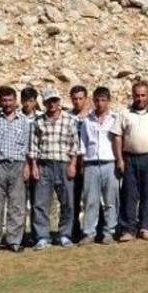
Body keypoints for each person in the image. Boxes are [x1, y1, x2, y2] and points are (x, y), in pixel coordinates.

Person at [0, 86, 31, 255]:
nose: (7, 103)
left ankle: (14, 240)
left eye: (10, 100)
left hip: (17, 165)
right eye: (4, 100)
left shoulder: (24, 121)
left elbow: (27, 146)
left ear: (15, 101)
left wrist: (27, 166)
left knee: (17, 205)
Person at [29, 89, 78, 249]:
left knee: (67, 202)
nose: (52, 104)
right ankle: (42, 236)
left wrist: (72, 164)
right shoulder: (38, 121)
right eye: (49, 101)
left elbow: (74, 144)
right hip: (44, 165)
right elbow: (33, 145)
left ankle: (65, 234)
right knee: (40, 202)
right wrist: (34, 166)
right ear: (44, 103)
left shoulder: (69, 120)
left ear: (59, 102)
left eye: (55, 101)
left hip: (64, 164)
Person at [113, 81, 148, 242]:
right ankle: (128, 229)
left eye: (143, 95)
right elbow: (117, 136)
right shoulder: (124, 113)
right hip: (130, 158)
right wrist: (119, 159)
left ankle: (146, 227)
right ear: (132, 96)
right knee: (129, 194)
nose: (140, 98)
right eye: (137, 95)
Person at [77, 87, 119, 245]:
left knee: (110, 200)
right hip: (91, 163)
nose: (100, 103)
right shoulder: (87, 120)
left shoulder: (115, 118)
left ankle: (109, 232)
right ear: (93, 101)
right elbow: (83, 143)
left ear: (108, 101)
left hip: (109, 162)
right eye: (97, 100)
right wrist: (82, 162)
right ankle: (89, 232)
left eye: (103, 100)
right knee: (90, 200)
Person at [69, 85, 91, 242]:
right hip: (72, 162)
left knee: (92, 197)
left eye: (80, 98)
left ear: (86, 99)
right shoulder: (67, 116)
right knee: (73, 199)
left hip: (89, 161)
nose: (77, 102)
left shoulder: (92, 116)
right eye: (74, 99)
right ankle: (74, 231)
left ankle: (94, 229)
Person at [18, 86, 40, 246]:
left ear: (35, 101)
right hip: (20, 163)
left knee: (37, 201)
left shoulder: (40, 118)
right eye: (25, 101)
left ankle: (36, 233)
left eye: (31, 101)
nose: (27, 104)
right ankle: (20, 235)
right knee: (19, 202)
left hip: (38, 164)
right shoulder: (17, 118)